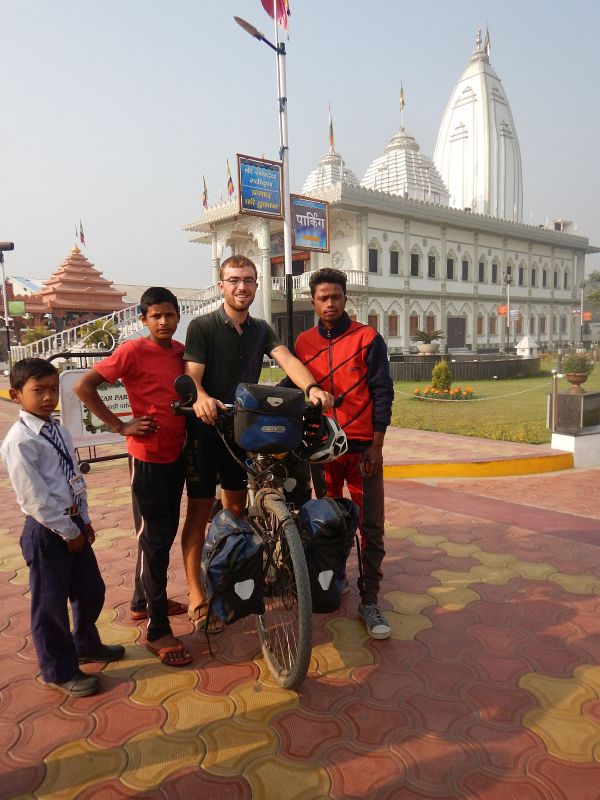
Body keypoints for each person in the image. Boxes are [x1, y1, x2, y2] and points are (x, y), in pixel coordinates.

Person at [181, 254, 333, 631]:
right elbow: (192, 375)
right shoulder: (203, 326)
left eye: (248, 280)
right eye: (234, 280)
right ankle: (196, 593)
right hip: (206, 429)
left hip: (241, 429)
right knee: (199, 512)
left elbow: (287, 359)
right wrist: (201, 397)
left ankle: (232, 571)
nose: (241, 287)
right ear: (221, 286)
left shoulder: (261, 328)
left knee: (235, 507)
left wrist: (313, 388)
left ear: (256, 285)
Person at [74, 287, 191, 667]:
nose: (163, 322)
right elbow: (83, 386)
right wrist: (120, 426)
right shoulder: (132, 351)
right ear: (143, 319)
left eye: (169, 315)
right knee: (154, 539)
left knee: (164, 533)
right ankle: (157, 629)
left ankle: (143, 601)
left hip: (176, 454)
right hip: (147, 458)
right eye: (156, 316)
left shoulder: (181, 352)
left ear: (178, 316)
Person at [1, 358, 125, 697]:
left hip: (72, 522)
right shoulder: (20, 441)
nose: (47, 397)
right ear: (16, 395)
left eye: (53, 389)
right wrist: (68, 532)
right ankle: (57, 670)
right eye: (38, 390)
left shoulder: (57, 429)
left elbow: (74, 478)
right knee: (50, 605)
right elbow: (35, 499)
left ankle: (85, 643)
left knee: (91, 589)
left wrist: (84, 519)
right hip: (47, 531)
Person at [293, 267, 395, 639]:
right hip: (324, 453)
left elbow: (383, 393)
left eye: (336, 296)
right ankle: (333, 580)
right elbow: (293, 386)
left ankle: (370, 599)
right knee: (329, 525)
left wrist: (377, 446)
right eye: (323, 298)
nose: (330, 303)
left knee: (371, 526)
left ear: (346, 298)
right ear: (313, 302)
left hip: (363, 451)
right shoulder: (303, 343)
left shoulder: (368, 339)